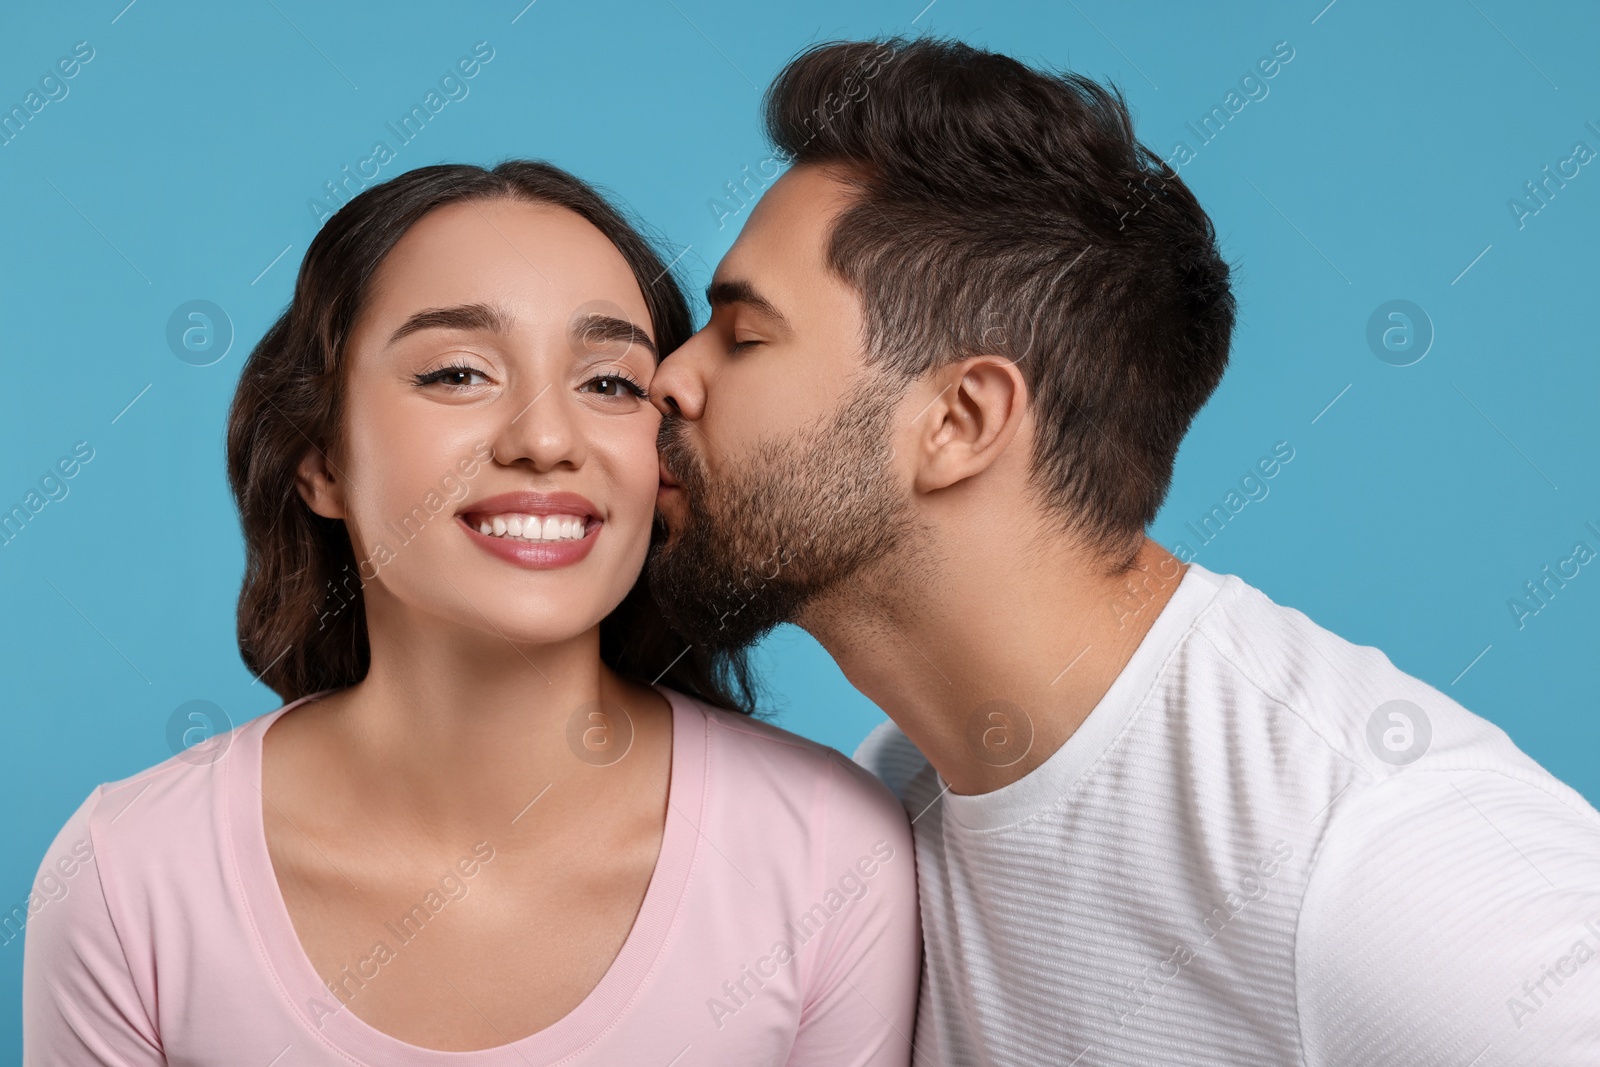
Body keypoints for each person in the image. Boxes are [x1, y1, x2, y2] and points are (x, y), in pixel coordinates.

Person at [646, 37, 1600, 1067]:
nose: (667, 378)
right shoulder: (895, 803)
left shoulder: (1374, 855)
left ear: (961, 419)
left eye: (742, 335)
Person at [22, 161, 918, 1065]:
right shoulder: (127, 873)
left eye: (610, 383)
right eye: (457, 373)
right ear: (321, 461)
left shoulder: (824, 858)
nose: (544, 439)